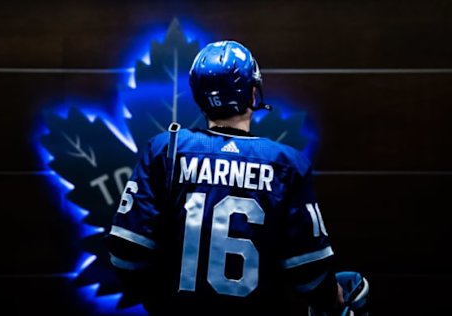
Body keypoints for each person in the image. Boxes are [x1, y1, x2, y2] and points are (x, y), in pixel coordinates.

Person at [104, 40, 353, 315]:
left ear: (198, 95)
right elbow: (310, 273)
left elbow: (126, 254)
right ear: (252, 92)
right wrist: (334, 299)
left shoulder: (166, 149)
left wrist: (162, 298)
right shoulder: (286, 164)